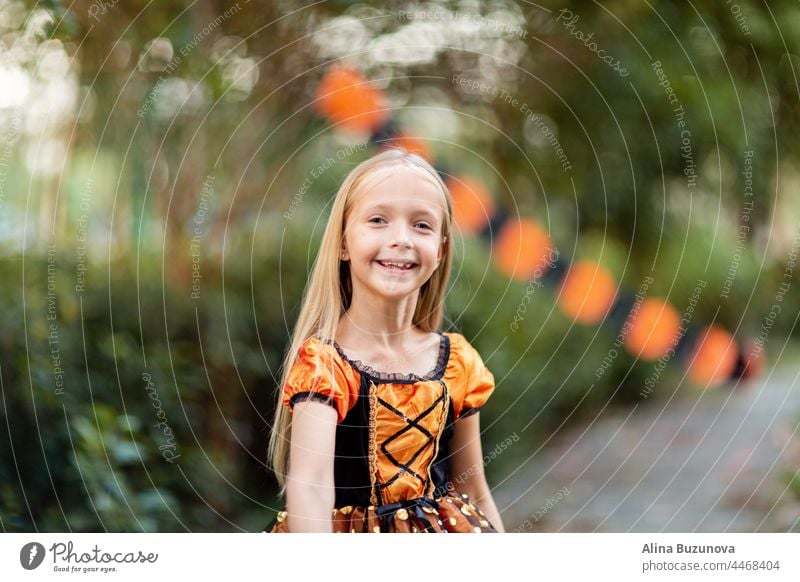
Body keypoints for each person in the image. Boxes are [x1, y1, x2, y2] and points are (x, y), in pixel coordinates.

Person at [265, 148, 505, 533]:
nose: (401, 239)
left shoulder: (458, 362)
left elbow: (473, 489)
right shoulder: (326, 367)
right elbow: (309, 488)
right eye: (378, 220)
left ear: (441, 250)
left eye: (422, 226)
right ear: (343, 242)